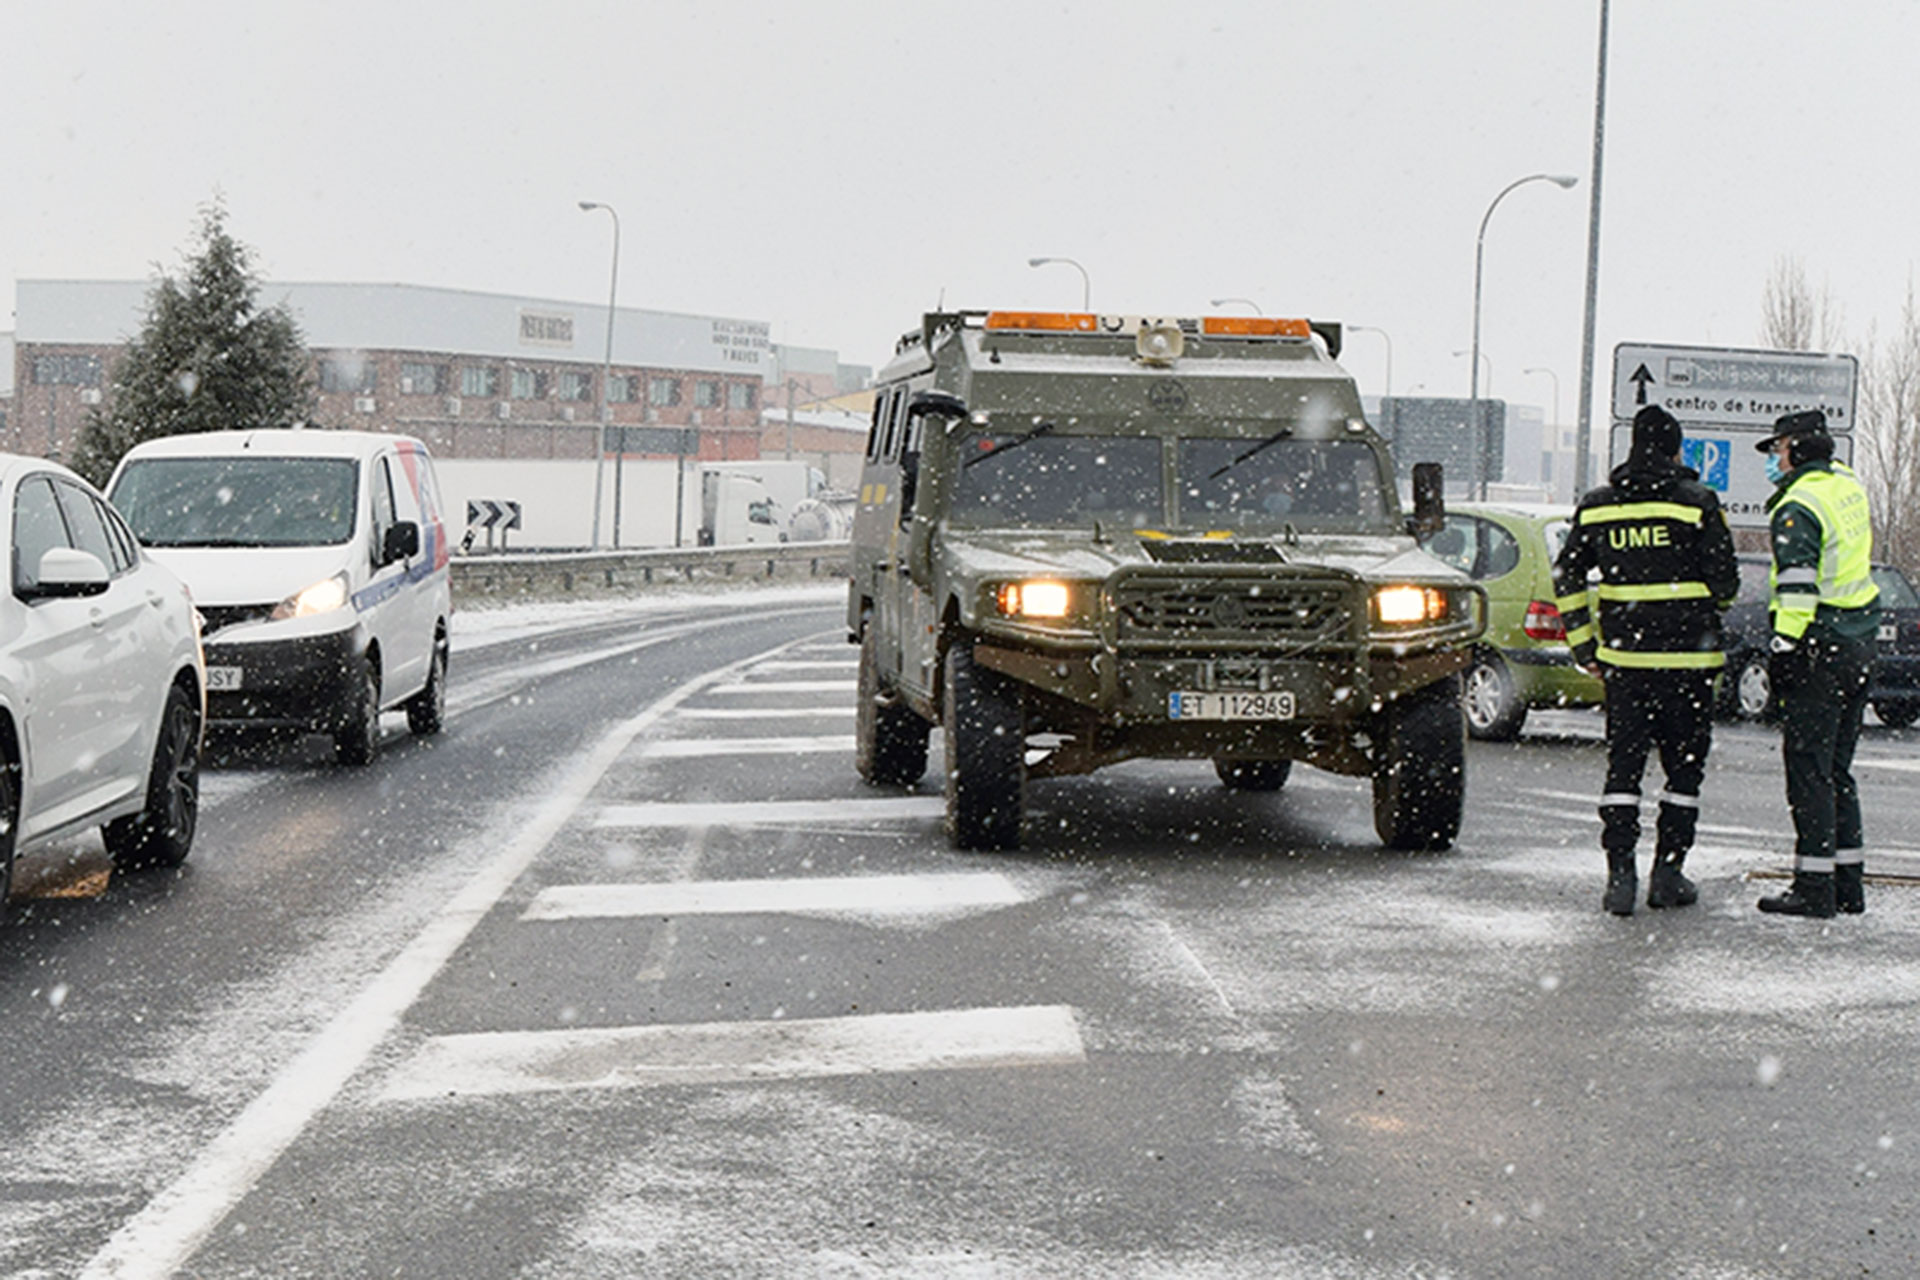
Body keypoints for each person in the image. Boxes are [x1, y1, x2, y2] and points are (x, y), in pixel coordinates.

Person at [1553, 404, 1740, 915]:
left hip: (1625, 666)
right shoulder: (1697, 503)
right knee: (1683, 772)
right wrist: (1700, 603)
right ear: (1676, 450)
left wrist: (1584, 645)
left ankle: (1619, 879)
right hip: (1689, 666)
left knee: (1623, 770)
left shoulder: (1598, 507)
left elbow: (1566, 577)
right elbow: (1726, 583)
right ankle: (1667, 875)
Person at [1753, 408, 1881, 918]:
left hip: (1818, 650)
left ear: (1798, 449)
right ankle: (1848, 885)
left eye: (1778, 448)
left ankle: (1813, 887)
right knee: (1836, 771)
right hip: (1857, 644)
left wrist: (1783, 646)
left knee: (1808, 770)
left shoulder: (1798, 508)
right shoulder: (1844, 484)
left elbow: (1799, 589)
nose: (1773, 459)